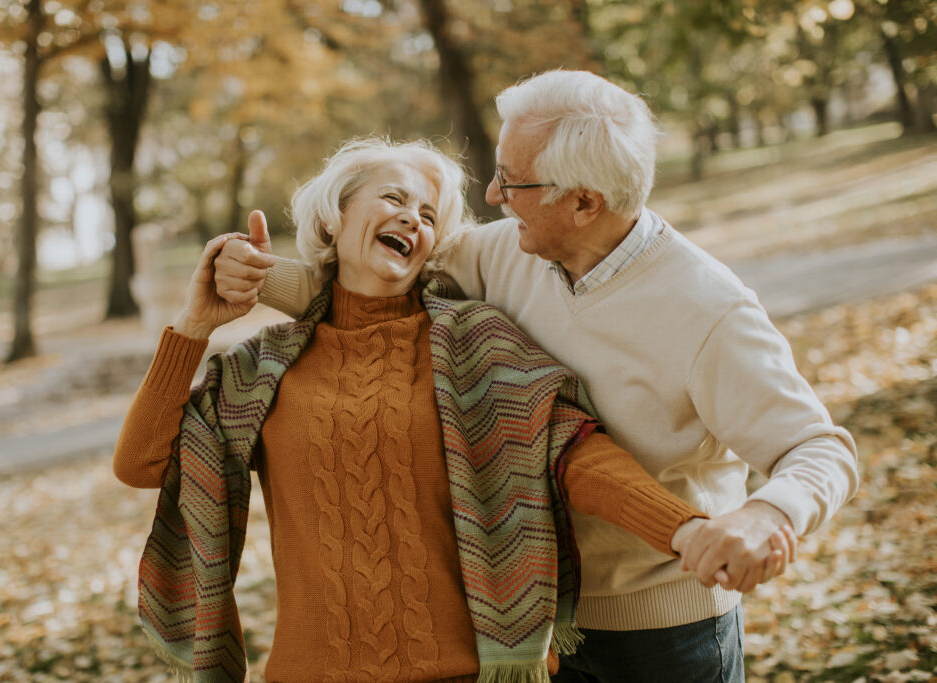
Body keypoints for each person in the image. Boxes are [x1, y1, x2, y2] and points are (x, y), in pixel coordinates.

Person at [227, 71, 858, 682]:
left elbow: (817, 446)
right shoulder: (502, 253)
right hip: (529, 624)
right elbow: (374, 279)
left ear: (583, 201)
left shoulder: (708, 308)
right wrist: (256, 278)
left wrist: (768, 515)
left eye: (512, 181)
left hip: (665, 632)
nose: (494, 197)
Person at [114, 138, 772, 683]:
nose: (414, 220)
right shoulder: (261, 368)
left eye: (429, 215)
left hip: (466, 672)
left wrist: (687, 531)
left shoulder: (473, 340)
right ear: (332, 219)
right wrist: (195, 323)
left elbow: (575, 455)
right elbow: (142, 462)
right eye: (394, 199)